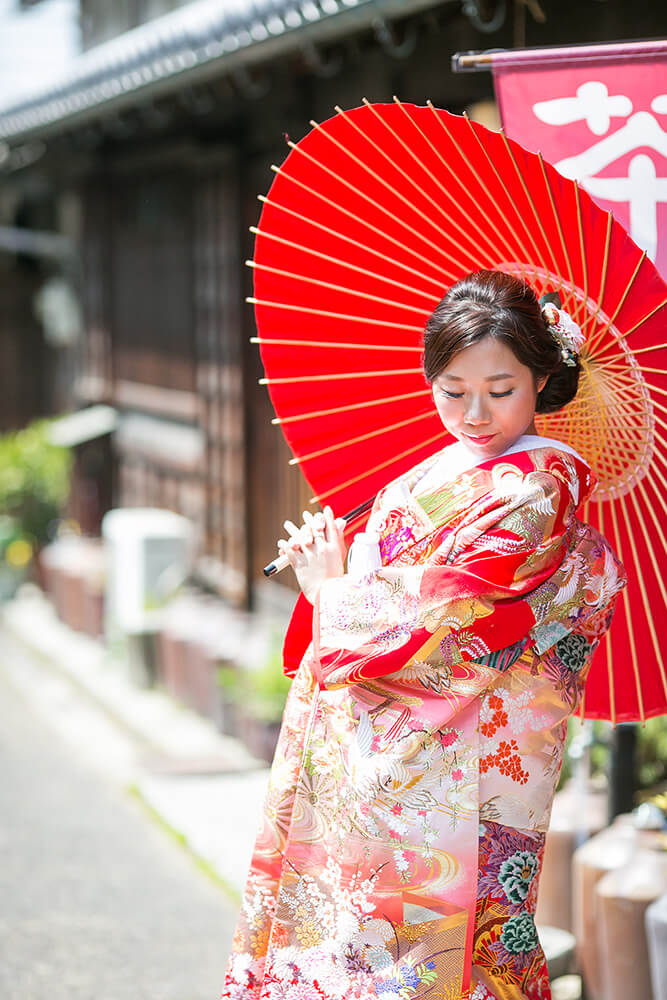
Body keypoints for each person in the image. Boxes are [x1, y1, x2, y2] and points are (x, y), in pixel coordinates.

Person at [221, 270, 627, 1000]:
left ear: (540, 377)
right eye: (451, 388)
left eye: (500, 390)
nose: (474, 413)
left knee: (434, 951)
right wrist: (346, 562)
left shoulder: (538, 487)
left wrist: (332, 593)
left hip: (458, 762)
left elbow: (465, 610)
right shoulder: (442, 469)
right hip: (376, 747)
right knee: (351, 935)